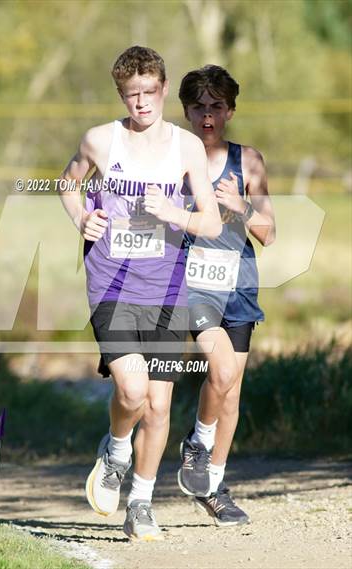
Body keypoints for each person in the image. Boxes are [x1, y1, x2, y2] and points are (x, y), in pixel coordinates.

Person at [59, 46, 221, 540]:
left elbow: (211, 222)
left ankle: (142, 503)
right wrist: (83, 217)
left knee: (159, 404)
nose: (142, 103)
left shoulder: (187, 147)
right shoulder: (99, 141)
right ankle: (115, 449)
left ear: (164, 89)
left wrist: (174, 214)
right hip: (111, 281)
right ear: (121, 95)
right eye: (132, 95)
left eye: (150, 92)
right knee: (130, 389)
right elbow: (67, 185)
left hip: (169, 289)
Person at [177, 65, 275, 526]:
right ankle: (195, 445)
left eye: (217, 106)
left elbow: (270, 233)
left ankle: (213, 486)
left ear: (231, 110)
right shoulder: (171, 157)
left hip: (238, 283)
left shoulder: (249, 161)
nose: (208, 116)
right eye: (199, 106)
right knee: (216, 370)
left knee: (230, 393)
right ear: (186, 111)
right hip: (193, 286)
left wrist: (242, 207)